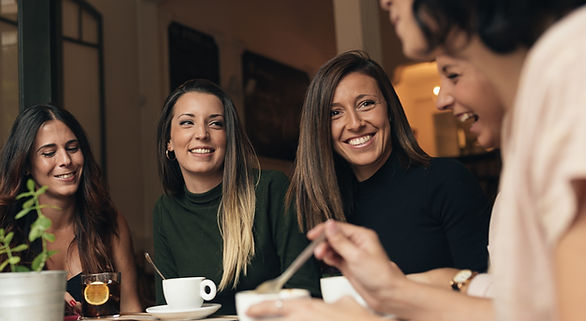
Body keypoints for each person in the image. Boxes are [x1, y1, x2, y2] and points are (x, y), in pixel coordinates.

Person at [248, 0, 586, 320]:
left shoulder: (565, 69)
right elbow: (518, 304)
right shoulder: (309, 202)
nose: (443, 101)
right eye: (334, 112)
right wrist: (396, 291)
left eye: (453, 74)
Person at [289, 50, 490, 275]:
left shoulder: (447, 180)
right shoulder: (315, 205)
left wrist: (400, 287)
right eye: (335, 113)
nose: (355, 123)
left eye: (366, 104)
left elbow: (484, 289)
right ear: (318, 128)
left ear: (389, 110)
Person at [152, 79, 321, 315]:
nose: (202, 134)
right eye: (187, 122)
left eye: (216, 123)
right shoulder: (165, 210)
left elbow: (306, 288)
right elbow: (168, 308)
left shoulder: (271, 189)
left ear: (229, 137)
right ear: (168, 141)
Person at [0, 104, 142, 314]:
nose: (66, 160)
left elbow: (132, 310)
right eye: (49, 152)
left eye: (72, 148)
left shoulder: (109, 223)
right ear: (25, 165)